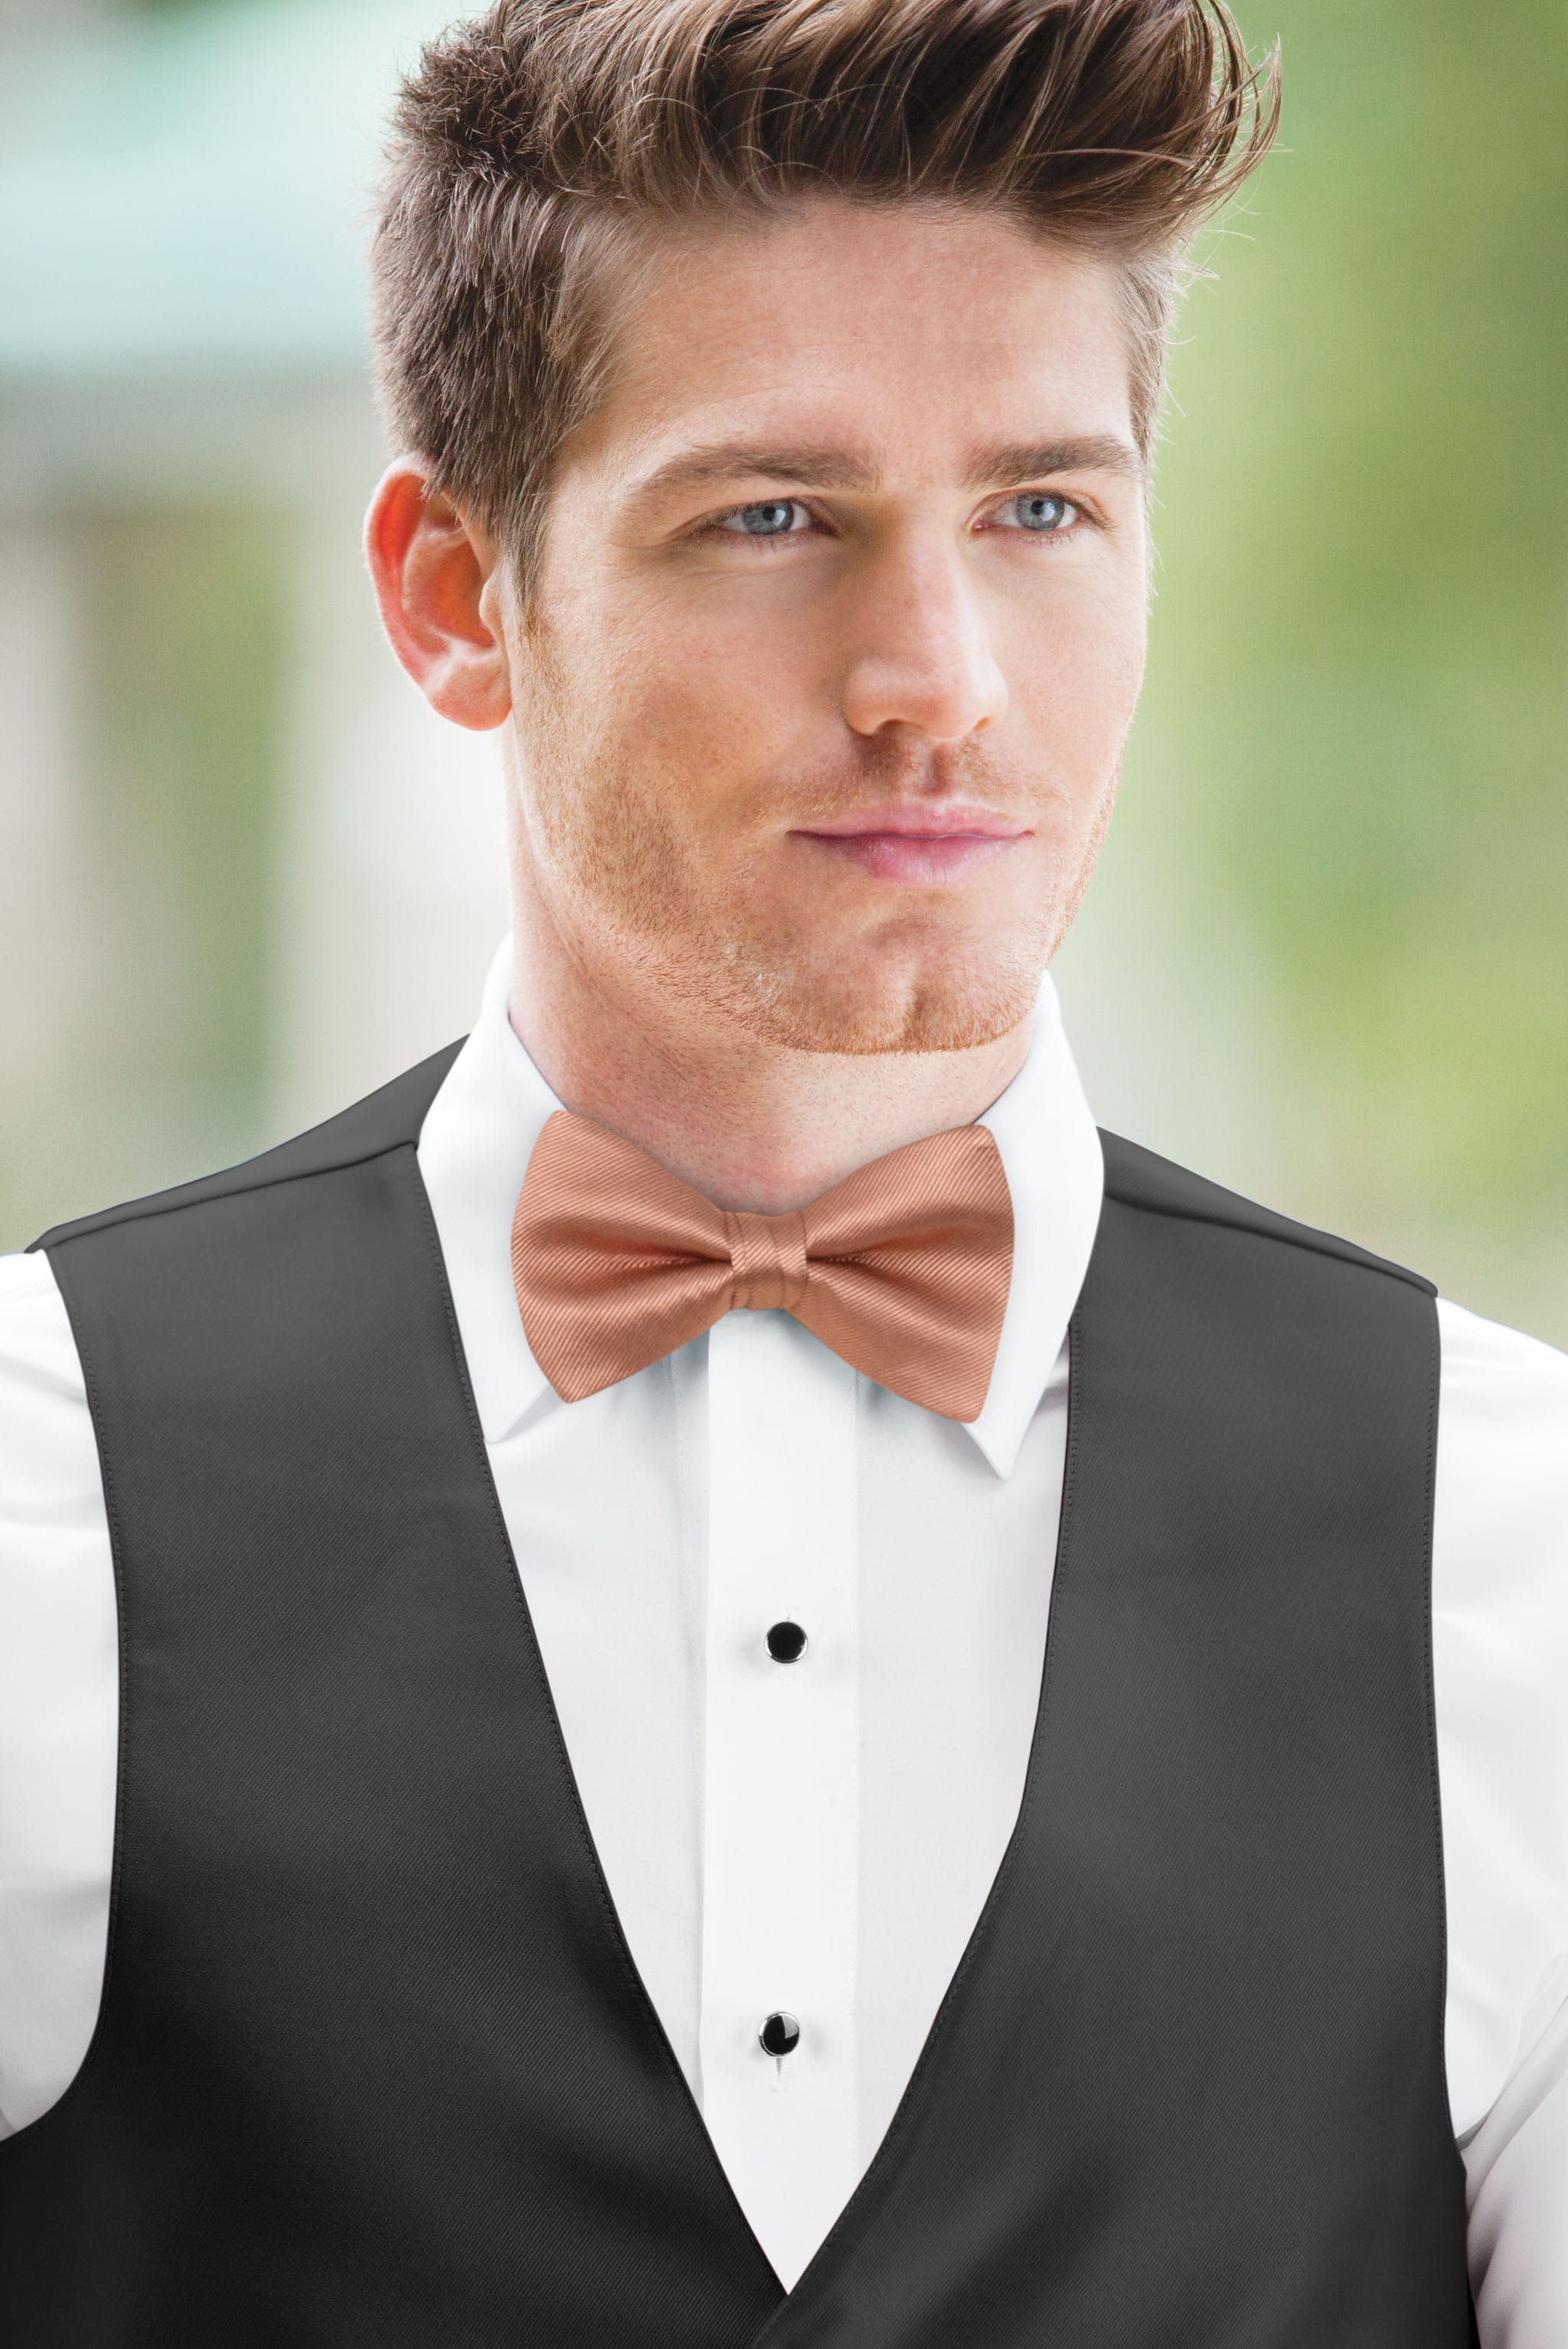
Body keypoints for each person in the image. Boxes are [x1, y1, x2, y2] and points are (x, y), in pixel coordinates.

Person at [0, 0, 1563, 2339]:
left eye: (1040, 508)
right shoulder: (35, 1496)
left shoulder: (1516, 1545)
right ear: (453, 595)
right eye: (773, 517)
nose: (937, 673)